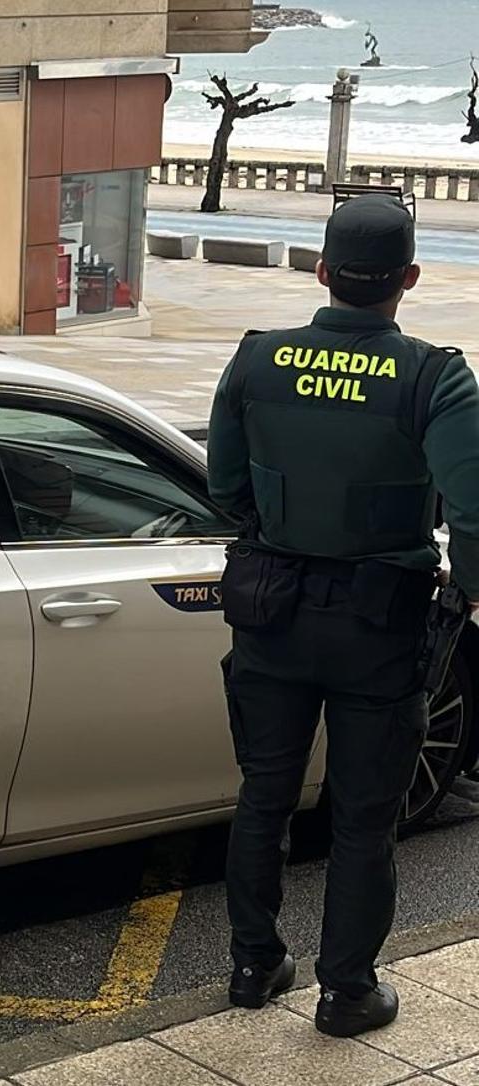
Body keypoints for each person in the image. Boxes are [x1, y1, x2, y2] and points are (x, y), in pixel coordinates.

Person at [207, 193, 479, 1038]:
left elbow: (224, 484)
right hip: (378, 630)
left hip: (271, 612)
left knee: (264, 795)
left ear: (321, 271)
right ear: (409, 278)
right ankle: (345, 991)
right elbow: (471, 512)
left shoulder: (256, 360)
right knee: (365, 818)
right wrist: (462, 591)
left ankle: (254, 966)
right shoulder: (436, 377)